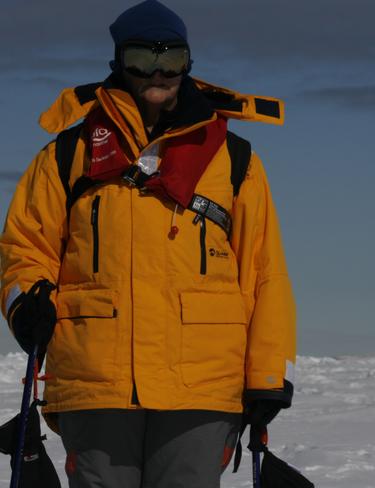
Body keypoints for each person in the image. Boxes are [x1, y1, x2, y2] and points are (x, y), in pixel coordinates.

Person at [0, 1, 296, 487]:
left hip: (201, 391)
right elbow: (22, 248)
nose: (158, 71)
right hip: (95, 384)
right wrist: (26, 302)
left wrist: (266, 377)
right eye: (142, 57)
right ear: (119, 63)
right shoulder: (67, 155)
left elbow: (265, 272)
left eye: (172, 58)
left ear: (189, 64)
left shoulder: (235, 160)